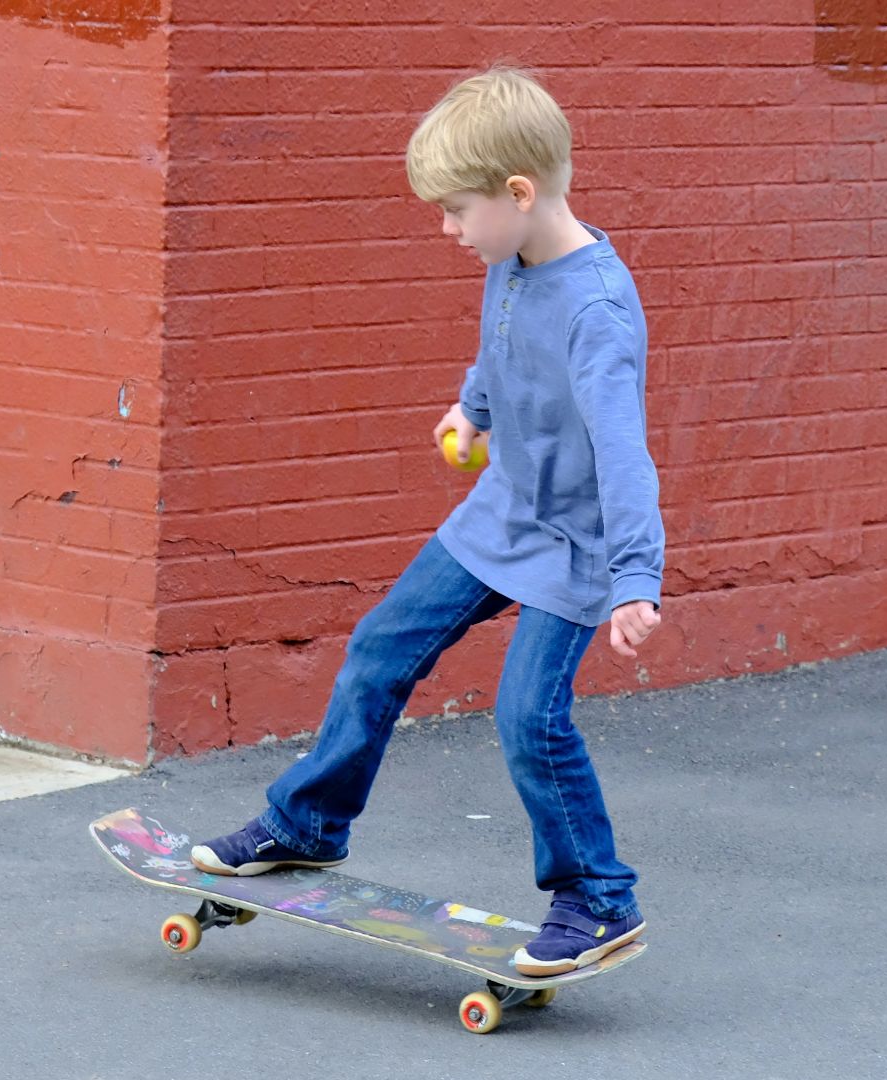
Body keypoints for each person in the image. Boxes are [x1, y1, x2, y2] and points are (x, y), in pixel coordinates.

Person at [192, 65, 665, 977]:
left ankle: (599, 899)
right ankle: (307, 825)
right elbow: (502, 343)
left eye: (456, 210)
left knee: (530, 717)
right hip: (499, 516)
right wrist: (474, 409)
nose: (448, 230)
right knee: (379, 648)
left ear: (518, 193)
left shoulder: (600, 310)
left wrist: (636, 579)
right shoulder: (516, 258)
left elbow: (624, 455)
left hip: (577, 546)